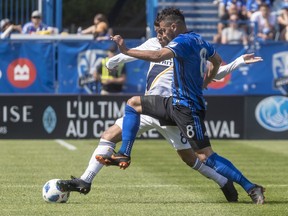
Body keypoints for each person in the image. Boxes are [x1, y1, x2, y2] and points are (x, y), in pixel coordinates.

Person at [57, 16, 263, 203]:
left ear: (172, 28)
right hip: (151, 108)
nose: (160, 35)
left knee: (193, 158)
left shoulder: (180, 46)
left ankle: (223, 181)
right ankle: (86, 180)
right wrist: (113, 61)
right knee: (110, 134)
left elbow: (213, 69)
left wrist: (235, 63)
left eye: (162, 31)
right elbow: (128, 56)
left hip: (174, 109)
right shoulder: (155, 44)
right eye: (157, 31)